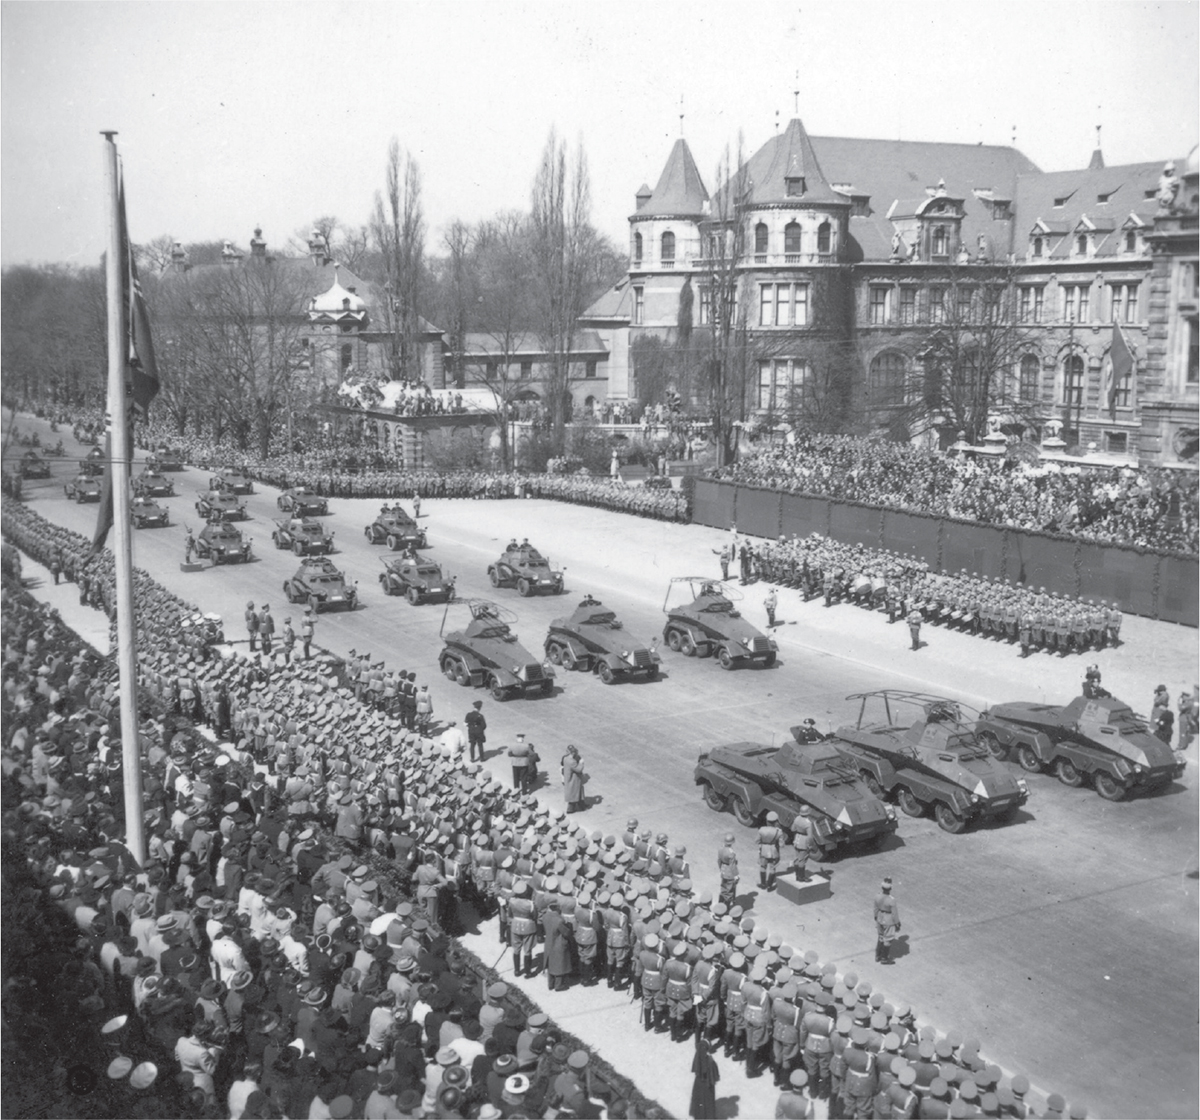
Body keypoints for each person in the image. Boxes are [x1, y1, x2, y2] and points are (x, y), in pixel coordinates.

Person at [690, 1033, 720, 1119]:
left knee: (699, 1099)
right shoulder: (709, 1060)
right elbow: (714, 1074)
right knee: (707, 1100)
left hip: (699, 1081)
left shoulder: (698, 1056)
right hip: (707, 1083)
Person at [874, 877, 901, 964]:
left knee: (881, 937)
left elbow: (875, 909)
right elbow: (894, 913)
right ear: (890, 888)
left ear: (882, 887)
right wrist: (897, 923)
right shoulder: (891, 900)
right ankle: (884, 958)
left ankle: (877, 956)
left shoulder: (877, 896)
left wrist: (876, 917)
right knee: (888, 939)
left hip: (879, 918)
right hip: (888, 920)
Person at [757, 812, 783, 892]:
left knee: (762, 867)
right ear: (776, 822)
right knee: (772, 868)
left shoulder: (761, 830)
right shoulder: (779, 832)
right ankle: (769, 886)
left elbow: (757, 841)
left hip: (764, 850)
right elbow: (781, 844)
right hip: (774, 851)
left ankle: (763, 884)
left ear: (767, 821)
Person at [717, 834, 739, 909]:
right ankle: (725, 909)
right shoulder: (731, 852)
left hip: (723, 870)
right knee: (729, 891)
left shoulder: (720, 849)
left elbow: (719, 861)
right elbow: (732, 865)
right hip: (730, 873)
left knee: (723, 888)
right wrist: (736, 875)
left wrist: (721, 869)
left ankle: (719, 905)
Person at [562, 745, 586, 813]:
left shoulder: (565, 758)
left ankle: (582, 805)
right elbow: (579, 769)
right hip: (573, 781)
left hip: (570, 779)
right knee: (574, 796)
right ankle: (571, 809)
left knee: (577, 794)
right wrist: (581, 763)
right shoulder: (572, 762)